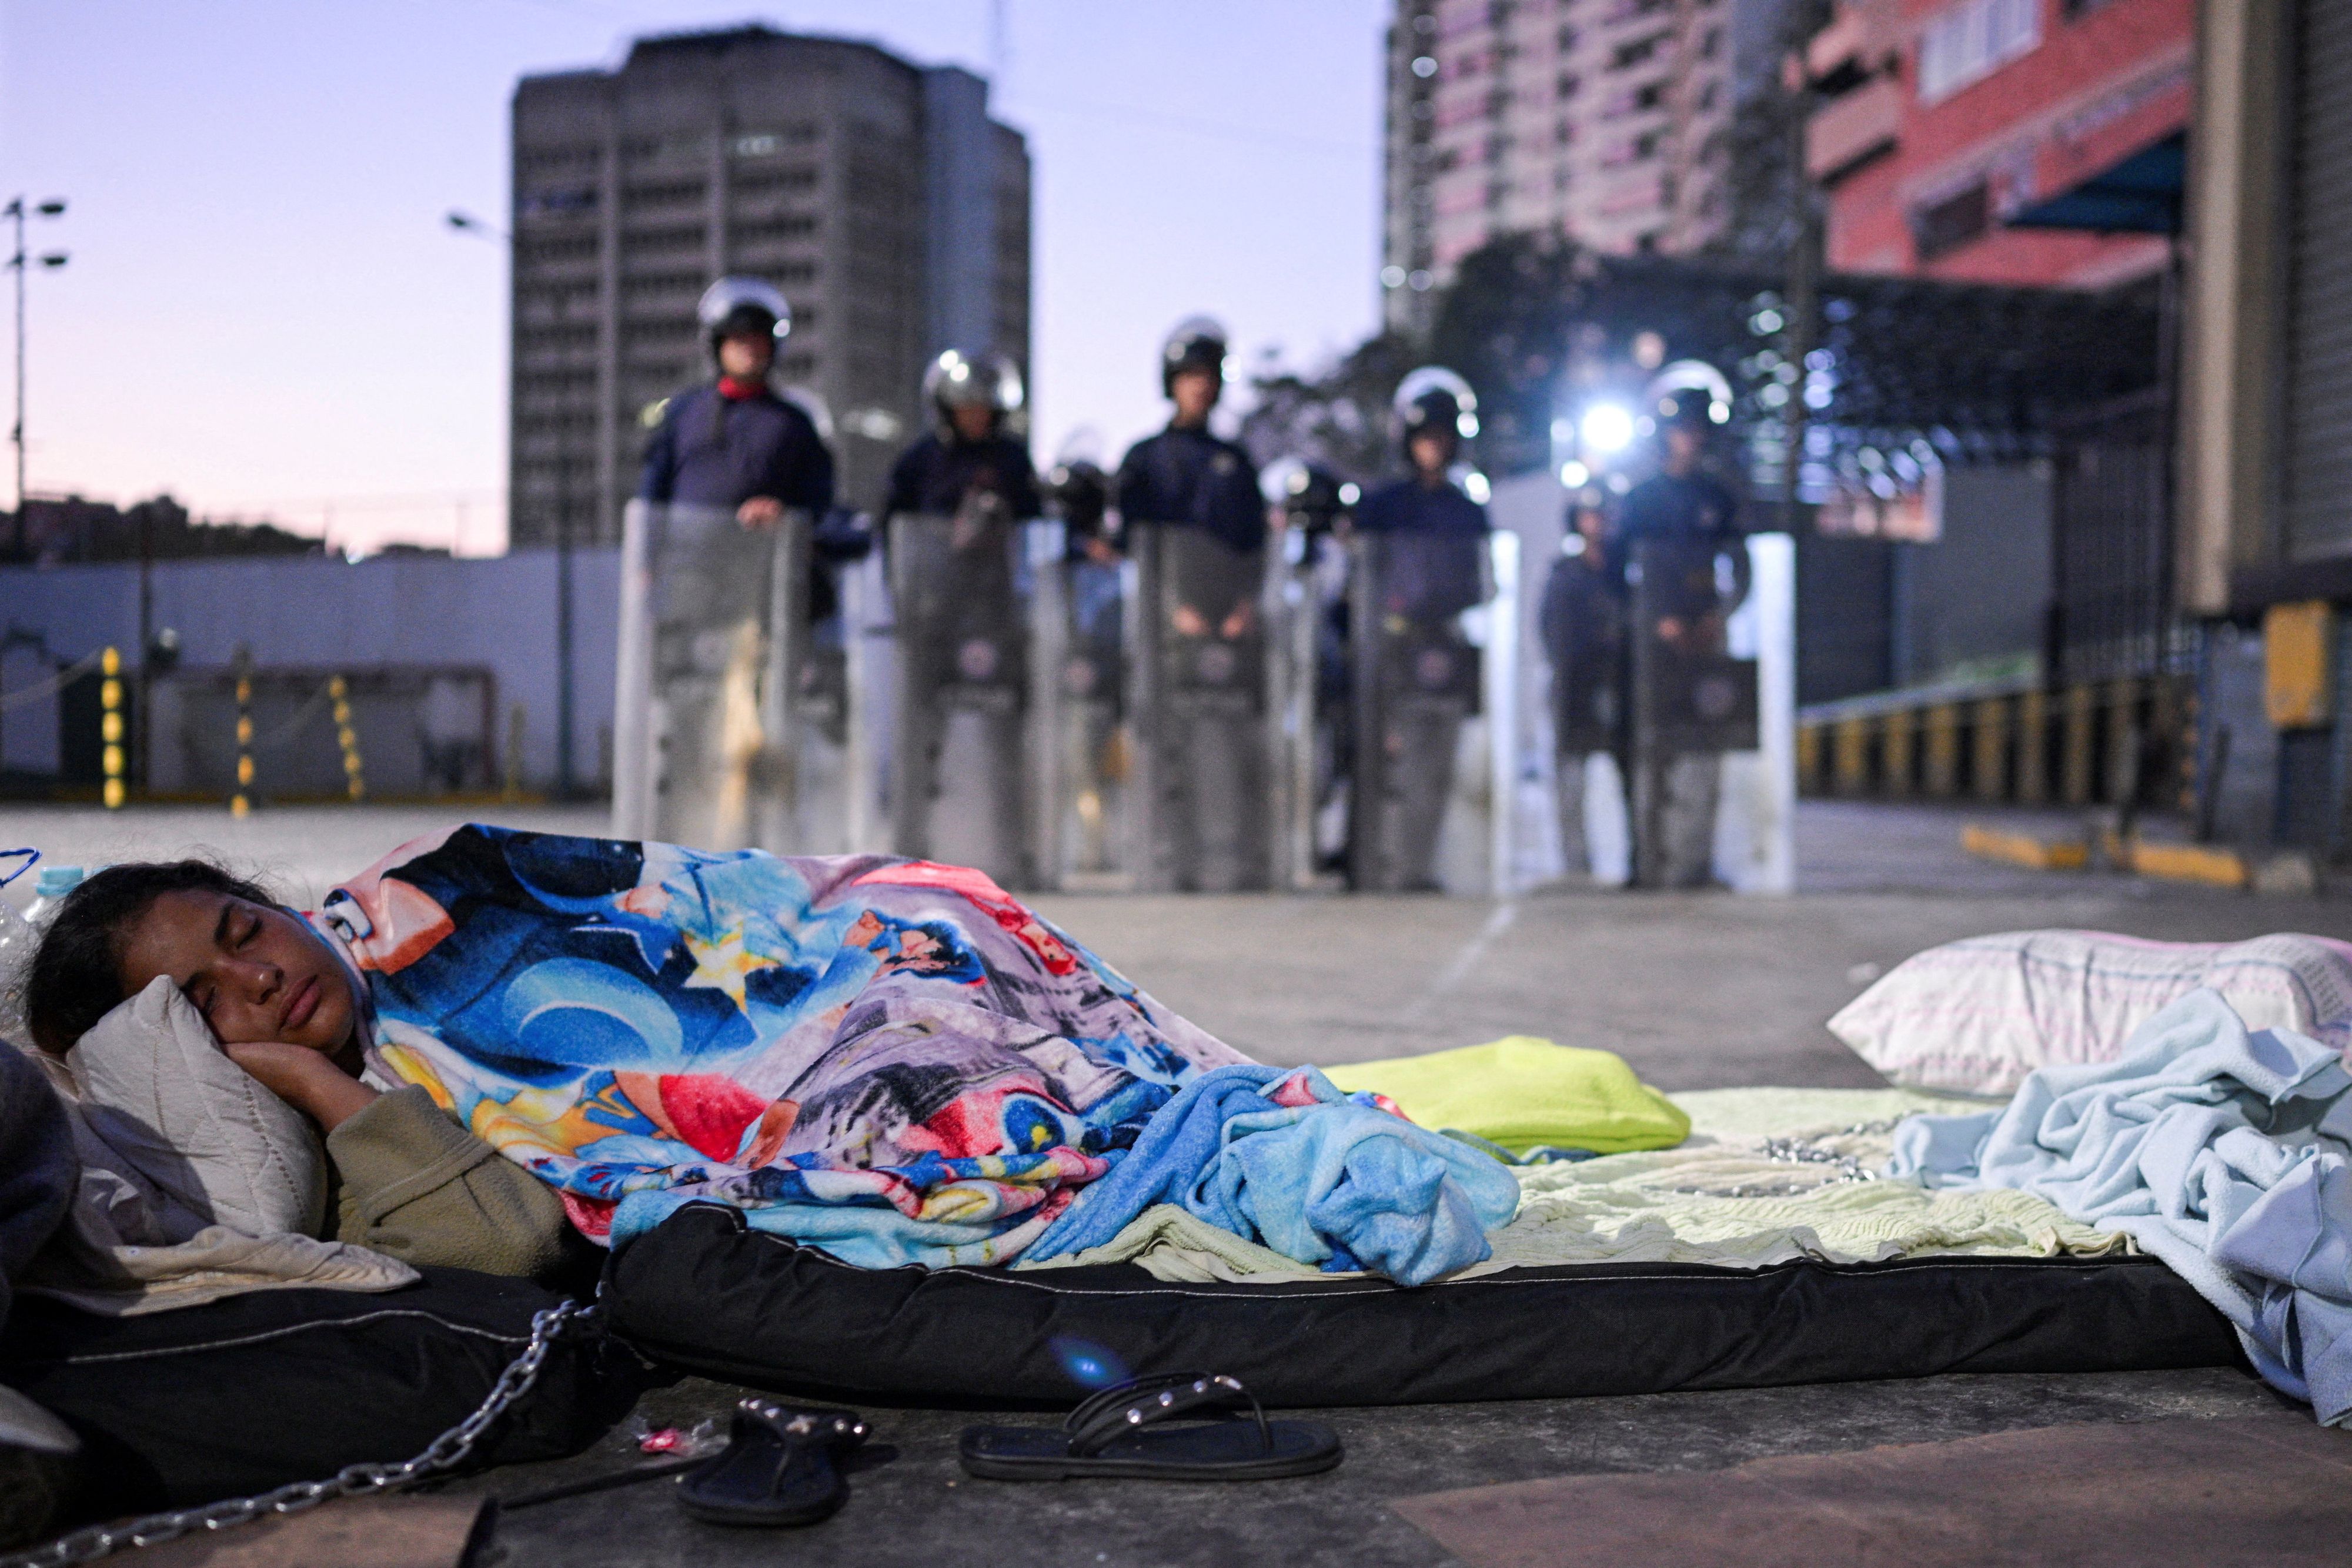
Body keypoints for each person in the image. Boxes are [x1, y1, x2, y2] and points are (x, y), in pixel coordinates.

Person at [1115, 318, 1268, 891]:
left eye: (1208, 376)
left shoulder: (1235, 462)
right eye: (1189, 376)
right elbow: (1134, 545)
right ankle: (1163, 862)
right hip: (1164, 631)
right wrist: (1167, 606)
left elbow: (1252, 545)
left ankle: (1229, 862)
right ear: (1171, 382)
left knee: (1225, 750)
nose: (1199, 387)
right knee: (1164, 749)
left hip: (1226, 630)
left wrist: (1244, 605)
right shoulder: (1146, 459)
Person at [878, 351, 1040, 877]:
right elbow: (890, 529)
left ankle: (1008, 844)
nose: (975, 414)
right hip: (933, 618)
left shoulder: (1014, 461)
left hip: (996, 617)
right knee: (924, 730)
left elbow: (1034, 535)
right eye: (965, 404)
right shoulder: (920, 460)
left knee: (1003, 729)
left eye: (984, 406)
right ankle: (916, 840)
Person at [1348, 367, 1490, 891]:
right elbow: (1365, 579)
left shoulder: (1466, 510)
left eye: (1443, 437)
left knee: (1438, 765)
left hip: (1446, 648)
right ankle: (1379, 865)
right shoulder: (1384, 506)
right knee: (1393, 763)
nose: (1434, 447)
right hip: (1392, 648)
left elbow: (1480, 582)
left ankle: (1420, 866)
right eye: (1426, 436)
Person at [1615, 390, 1749, 888]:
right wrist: (1652, 620)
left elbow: (1741, 569)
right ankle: (1648, 861)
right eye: (1679, 429)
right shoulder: (1641, 498)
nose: (1687, 440)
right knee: (1651, 754)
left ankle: (1695, 863)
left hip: (1706, 644)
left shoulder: (1717, 497)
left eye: (1695, 430)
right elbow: (1618, 574)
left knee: (1705, 750)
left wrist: (1720, 614)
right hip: (1652, 649)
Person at [1538, 490, 1626, 880]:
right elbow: (1550, 631)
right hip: (1574, 685)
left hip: (1619, 684)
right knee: (1570, 777)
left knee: (1632, 770)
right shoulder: (1565, 572)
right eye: (1590, 515)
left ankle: (1639, 859)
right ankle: (1576, 864)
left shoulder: (1625, 571)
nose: (1597, 522)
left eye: (1602, 514)